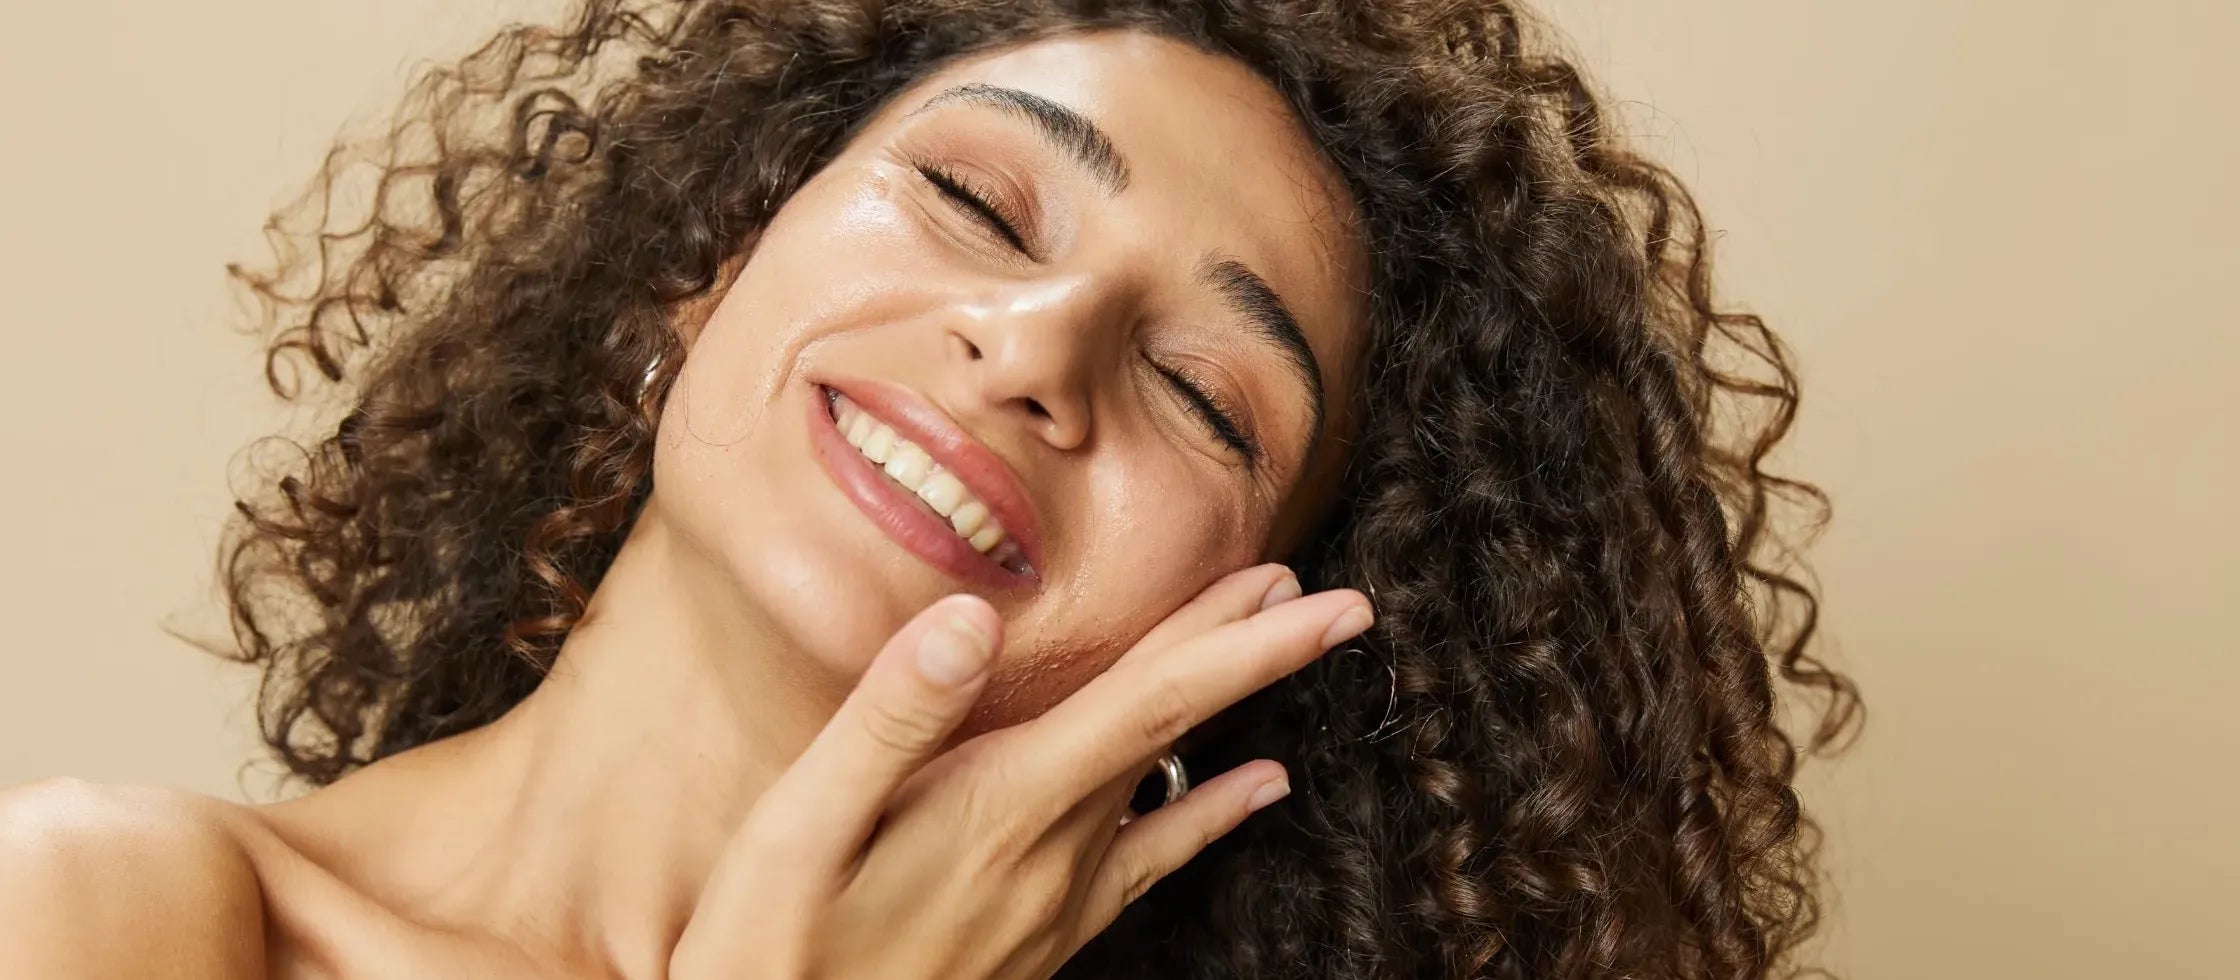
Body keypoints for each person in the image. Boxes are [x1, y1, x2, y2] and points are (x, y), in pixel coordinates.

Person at [0, 0, 1862, 977]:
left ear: (1241, 650)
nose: (1037, 348)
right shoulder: (115, 908)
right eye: (976, 203)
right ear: (702, 264)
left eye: (1208, 398)